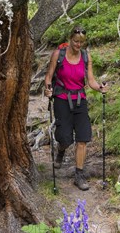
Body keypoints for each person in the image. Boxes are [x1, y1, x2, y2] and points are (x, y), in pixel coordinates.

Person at [44, 25, 108, 191]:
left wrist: (100, 88)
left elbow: (91, 80)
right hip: (61, 99)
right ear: (70, 39)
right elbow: (49, 76)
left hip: (80, 100)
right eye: (76, 41)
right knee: (65, 137)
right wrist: (48, 89)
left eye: (81, 42)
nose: (78, 45)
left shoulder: (86, 57)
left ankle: (79, 175)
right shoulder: (59, 55)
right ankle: (61, 149)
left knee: (83, 138)